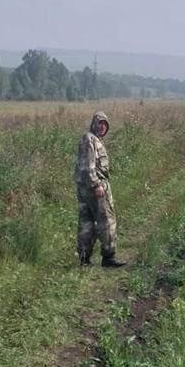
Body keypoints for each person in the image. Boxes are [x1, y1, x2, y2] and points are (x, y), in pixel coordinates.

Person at [74, 111, 127, 268]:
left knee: (86, 222)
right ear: (93, 124)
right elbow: (87, 166)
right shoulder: (89, 139)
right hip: (95, 188)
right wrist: (96, 184)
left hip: (85, 188)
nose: (102, 126)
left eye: (105, 124)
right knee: (107, 221)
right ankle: (108, 257)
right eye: (100, 123)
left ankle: (84, 258)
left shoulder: (94, 140)